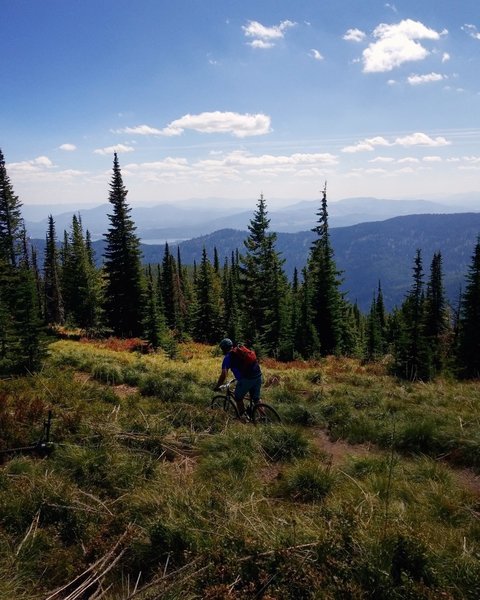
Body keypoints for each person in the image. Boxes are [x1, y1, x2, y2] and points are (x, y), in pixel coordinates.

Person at [214, 338, 262, 417]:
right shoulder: (240, 350)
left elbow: (223, 375)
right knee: (256, 399)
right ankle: (264, 417)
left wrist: (218, 386)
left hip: (247, 379)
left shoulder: (228, 358)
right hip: (258, 375)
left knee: (238, 397)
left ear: (223, 349)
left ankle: (242, 417)